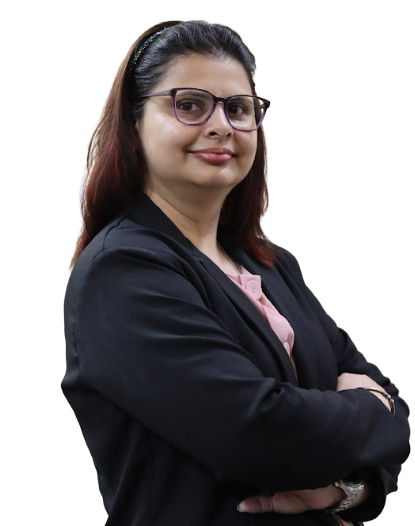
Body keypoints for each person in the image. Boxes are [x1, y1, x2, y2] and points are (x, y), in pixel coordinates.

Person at [62, 19, 410, 525]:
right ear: (134, 122)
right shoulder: (122, 272)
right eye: (189, 105)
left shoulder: (272, 264)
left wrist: (347, 491)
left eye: (239, 108)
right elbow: (261, 435)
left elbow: (390, 399)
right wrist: (376, 409)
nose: (221, 125)